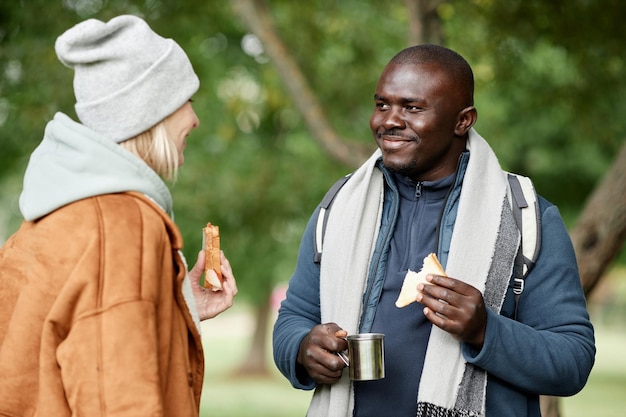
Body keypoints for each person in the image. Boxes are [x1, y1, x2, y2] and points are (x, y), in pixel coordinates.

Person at [273, 44, 595, 417]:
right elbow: (293, 319)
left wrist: (485, 330)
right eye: (381, 105)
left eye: (412, 108)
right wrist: (301, 348)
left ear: (463, 120)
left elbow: (573, 360)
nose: (389, 120)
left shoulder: (526, 216)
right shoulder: (340, 205)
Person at [0, 15, 237, 417]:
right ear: (150, 113)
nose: (194, 120)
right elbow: (119, 399)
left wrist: (181, 303)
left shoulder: (48, 216)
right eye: (187, 101)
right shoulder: (125, 225)